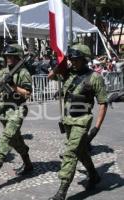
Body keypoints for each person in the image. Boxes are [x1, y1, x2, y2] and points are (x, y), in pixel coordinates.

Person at [48, 44, 108, 200]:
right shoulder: (67, 74)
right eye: (71, 59)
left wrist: (96, 128)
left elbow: (103, 103)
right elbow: (50, 77)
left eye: (76, 59)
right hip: (68, 120)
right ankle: (94, 175)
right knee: (80, 151)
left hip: (82, 121)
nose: (73, 62)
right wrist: (60, 64)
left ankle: (62, 191)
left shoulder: (95, 77)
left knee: (71, 153)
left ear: (84, 59)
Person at [0, 44, 33, 184]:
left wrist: (14, 87)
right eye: (7, 56)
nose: (8, 58)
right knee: (16, 140)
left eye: (11, 56)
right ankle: (28, 164)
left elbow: (28, 94)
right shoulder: (3, 71)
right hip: (5, 109)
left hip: (17, 110)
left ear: (17, 57)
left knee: (6, 138)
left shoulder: (23, 72)